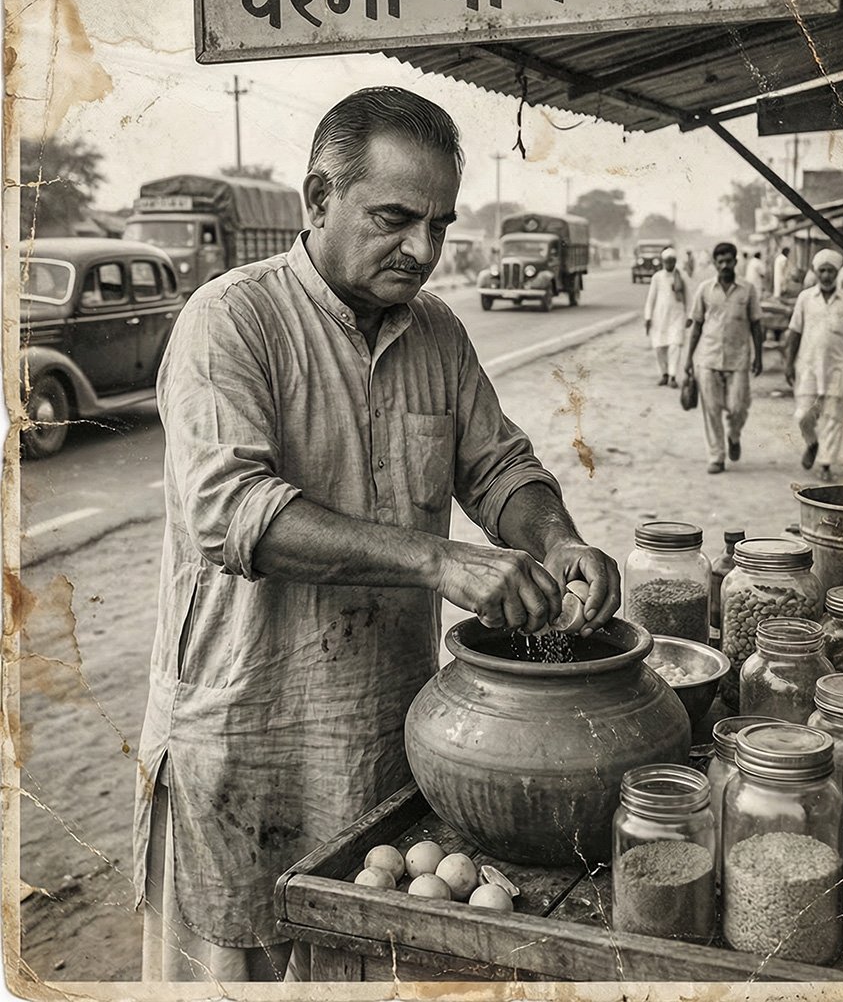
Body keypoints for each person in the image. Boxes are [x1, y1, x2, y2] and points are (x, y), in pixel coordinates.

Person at [133, 86, 622, 982]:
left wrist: (556, 540)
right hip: (251, 743)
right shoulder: (231, 320)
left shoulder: (436, 330)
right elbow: (229, 511)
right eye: (396, 219)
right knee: (242, 967)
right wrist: (440, 562)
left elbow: (499, 468)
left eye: (440, 224)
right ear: (318, 198)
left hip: (387, 739)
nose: (424, 251)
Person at [783, 247, 843, 482]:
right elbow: (795, 333)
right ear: (816, 272)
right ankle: (812, 442)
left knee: (833, 418)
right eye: (822, 271)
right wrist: (789, 363)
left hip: (837, 368)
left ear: (837, 273)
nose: (827, 275)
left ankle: (826, 463)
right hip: (808, 366)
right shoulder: (805, 298)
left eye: (831, 271)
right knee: (802, 415)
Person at [683, 242, 764, 474]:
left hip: (738, 358)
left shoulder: (748, 290)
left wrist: (759, 356)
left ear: (736, 262)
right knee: (711, 409)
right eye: (721, 261)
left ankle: (734, 435)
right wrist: (689, 359)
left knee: (739, 406)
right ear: (715, 263)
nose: (725, 265)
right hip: (708, 358)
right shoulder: (705, 289)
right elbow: (697, 325)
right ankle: (716, 456)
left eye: (729, 261)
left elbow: (757, 325)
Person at [643, 246, 688, 388]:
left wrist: (690, 315)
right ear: (663, 262)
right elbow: (651, 299)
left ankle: (673, 376)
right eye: (667, 261)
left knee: (675, 345)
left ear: (675, 261)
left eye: (672, 261)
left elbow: (689, 297)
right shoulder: (657, 277)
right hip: (659, 317)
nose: (669, 264)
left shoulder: (681, 276)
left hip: (677, 316)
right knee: (659, 346)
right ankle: (664, 374)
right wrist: (648, 317)